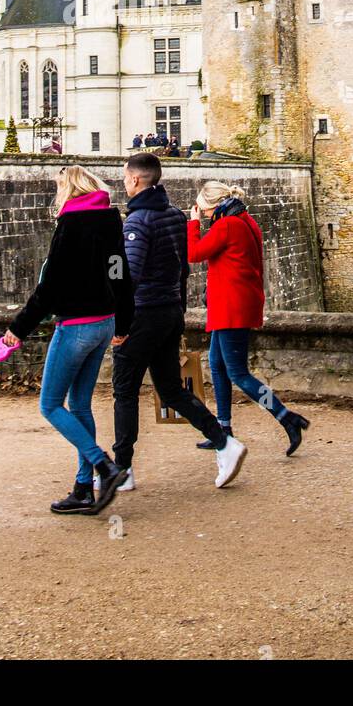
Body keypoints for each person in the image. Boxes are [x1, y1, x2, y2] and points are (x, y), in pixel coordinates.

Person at [108, 153, 248, 490]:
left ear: (137, 180)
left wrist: (120, 325)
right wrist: (179, 309)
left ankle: (122, 469)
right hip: (169, 312)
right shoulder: (171, 214)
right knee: (170, 390)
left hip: (144, 315)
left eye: (126, 176)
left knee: (124, 389)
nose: (124, 181)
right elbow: (183, 268)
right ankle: (224, 442)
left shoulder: (137, 222)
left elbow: (130, 275)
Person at [3, 165, 134, 515]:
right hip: (104, 323)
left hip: (76, 326)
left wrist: (17, 329)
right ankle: (83, 487)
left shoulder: (70, 226)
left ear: (69, 191)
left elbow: (49, 290)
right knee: (79, 406)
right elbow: (118, 272)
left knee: (50, 405)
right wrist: (123, 322)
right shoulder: (110, 222)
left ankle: (104, 467)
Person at [188, 181, 310, 455]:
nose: (204, 215)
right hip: (232, 305)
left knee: (239, 374)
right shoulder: (243, 219)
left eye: (205, 211)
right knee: (218, 366)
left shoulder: (227, 225)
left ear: (213, 206)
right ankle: (223, 428)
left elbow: (194, 254)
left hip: (232, 308)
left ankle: (285, 416)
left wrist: (193, 224)